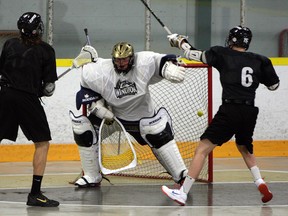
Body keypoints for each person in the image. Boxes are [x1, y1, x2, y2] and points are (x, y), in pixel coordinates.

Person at [161, 26, 280, 205]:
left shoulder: (221, 54)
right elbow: (274, 86)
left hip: (230, 110)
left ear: (232, 40)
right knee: (244, 147)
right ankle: (260, 182)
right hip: (249, 111)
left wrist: (179, 42)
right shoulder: (260, 60)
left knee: (202, 149)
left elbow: (194, 55)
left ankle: (183, 193)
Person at [69, 42, 188, 188]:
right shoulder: (99, 71)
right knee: (83, 129)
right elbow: (87, 93)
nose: (121, 63)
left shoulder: (144, 62)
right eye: (118, 60)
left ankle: (181, 175)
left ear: (132, 58)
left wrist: (169, 69)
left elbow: (161, 61)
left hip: (143, 120)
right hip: (113, 119)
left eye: (124, 59)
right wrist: (98, 108)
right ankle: (92, 175)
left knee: (157, 132)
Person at [0, 12, 59, 207]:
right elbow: (49, 88)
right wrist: (41, 89)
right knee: (42, 143)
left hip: (5, 94)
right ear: (37, 29)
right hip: (26, 98)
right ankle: (35, 194)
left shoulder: (9, 44)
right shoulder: (47, 50)